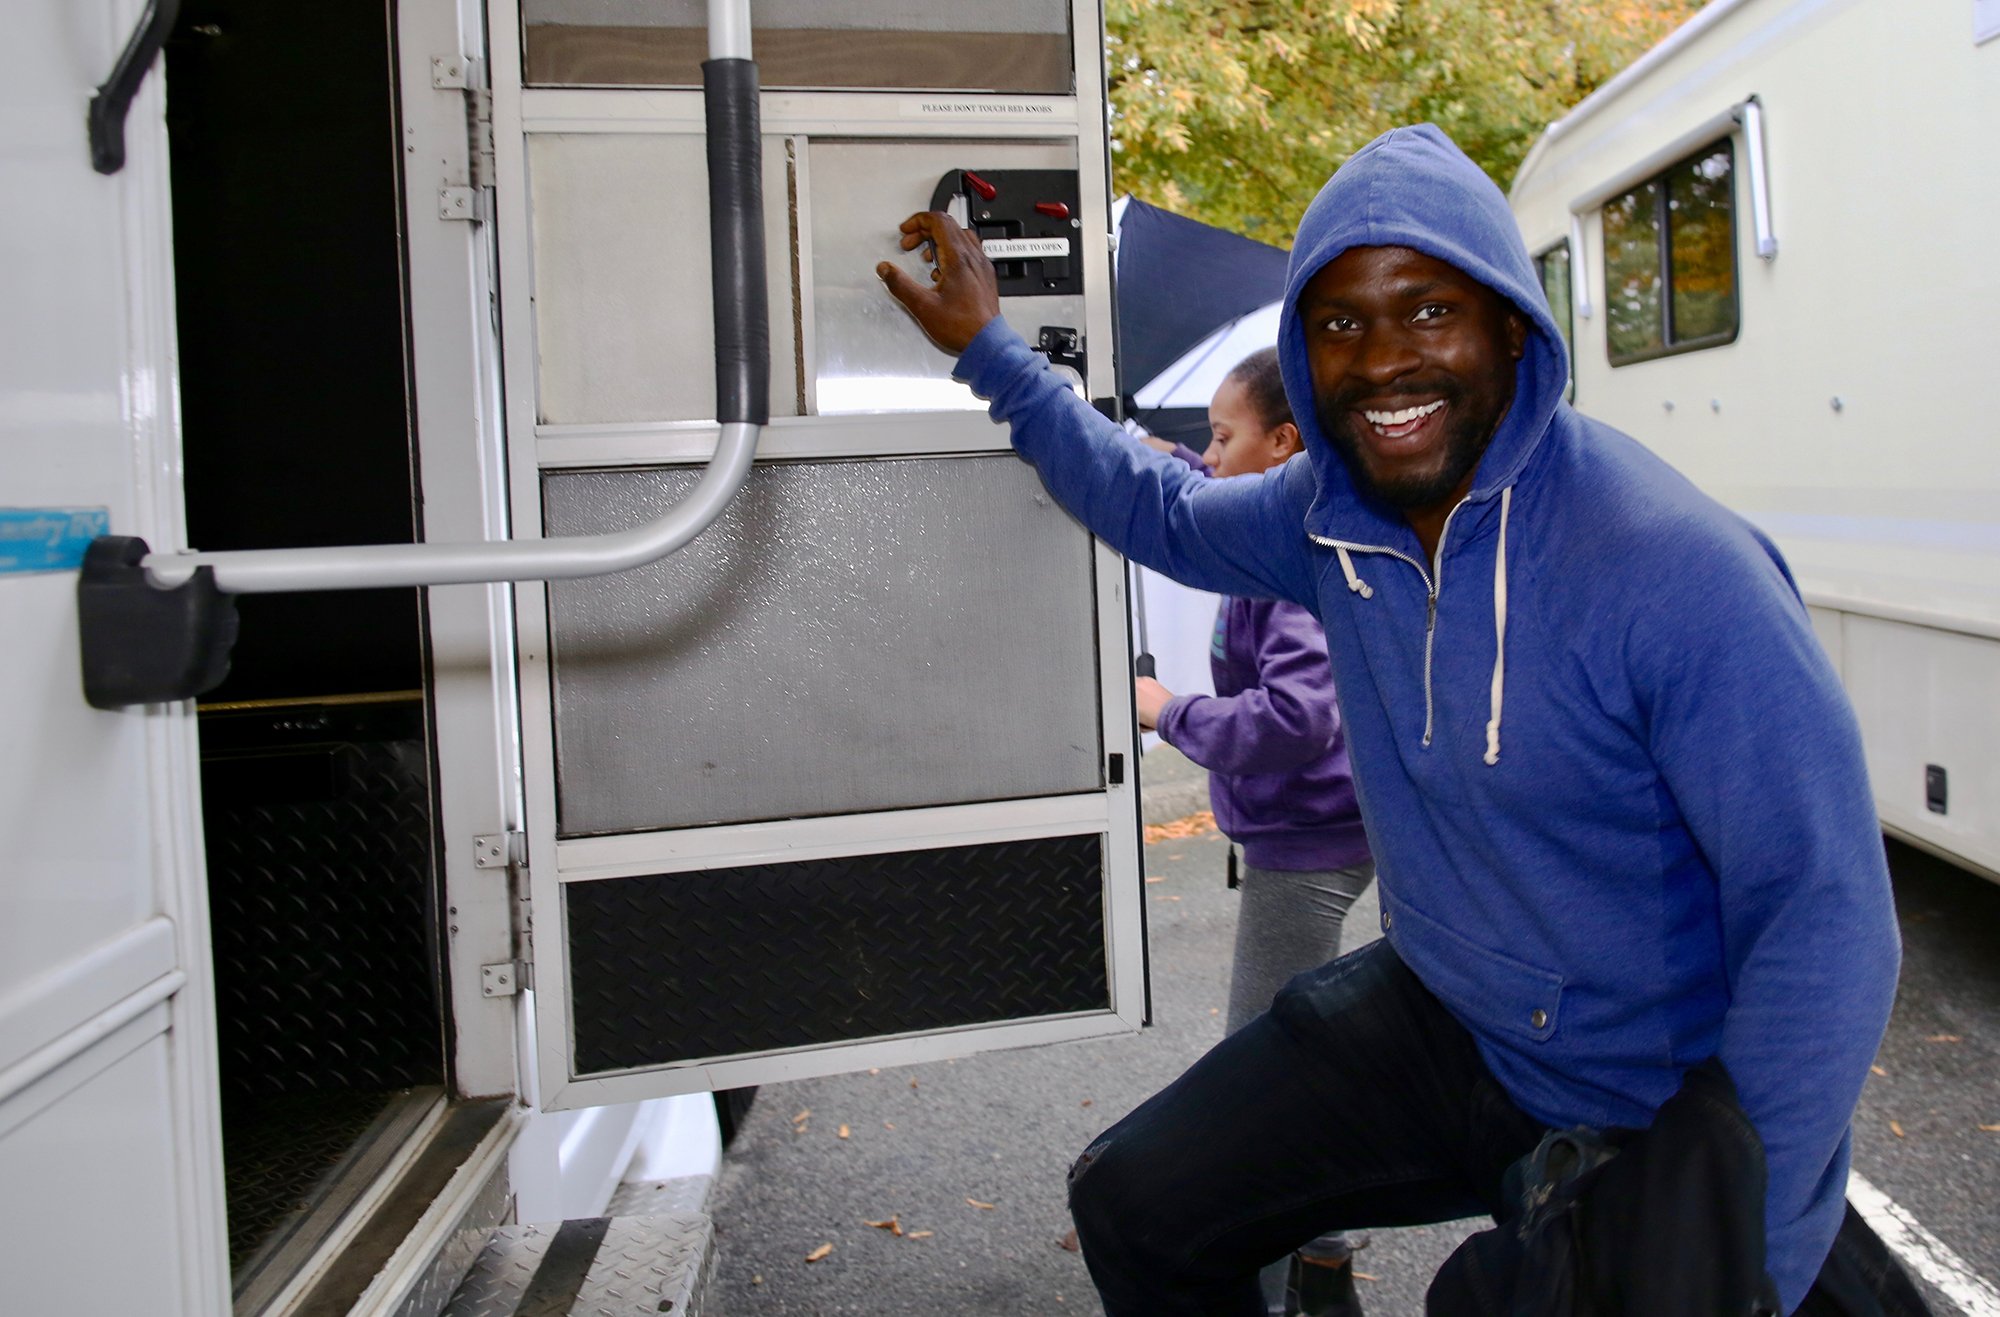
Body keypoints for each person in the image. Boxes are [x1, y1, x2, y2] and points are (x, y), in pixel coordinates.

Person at [876, 124, 1902, 1315]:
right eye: (1340, 323)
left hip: (1646, 1088)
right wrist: (993, 354)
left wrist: (1736, 1256)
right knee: (1135, 1204)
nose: (1382, 359)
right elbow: (1152, 504)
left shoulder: (1671, 570)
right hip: (1445, 1018)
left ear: (1509, 327)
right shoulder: (1328, 515)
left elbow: (1823, 920)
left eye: (1426, 312)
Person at [1139, 348, 1375, 1317]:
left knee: (1254, 1085)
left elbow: (1296, 720)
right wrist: (1152, 461)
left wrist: (1167, 712)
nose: (1207, 451)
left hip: (1308, 844)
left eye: (1221, 436)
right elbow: (1210, 486)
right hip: (1321, 831)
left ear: (1283, 445)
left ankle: (1273, 1296)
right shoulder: (1275, 516)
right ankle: (1323, 1260)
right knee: (1296, 1061)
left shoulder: (1286, 569)